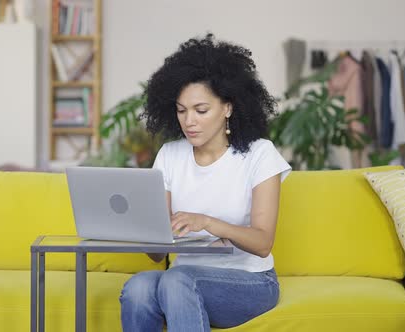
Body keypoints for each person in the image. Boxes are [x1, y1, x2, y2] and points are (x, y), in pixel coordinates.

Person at [119, 33, 292, 332]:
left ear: (228, 108)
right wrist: (148, 230)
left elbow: (263, 243)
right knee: (138, 288)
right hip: (181, 280)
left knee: (176, 280)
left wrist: (207, 222)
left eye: (201, 110)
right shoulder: (170, 155)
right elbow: (157, 255)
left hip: (250, 282)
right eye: (181, 111)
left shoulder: (259, 154)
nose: (189, 122)